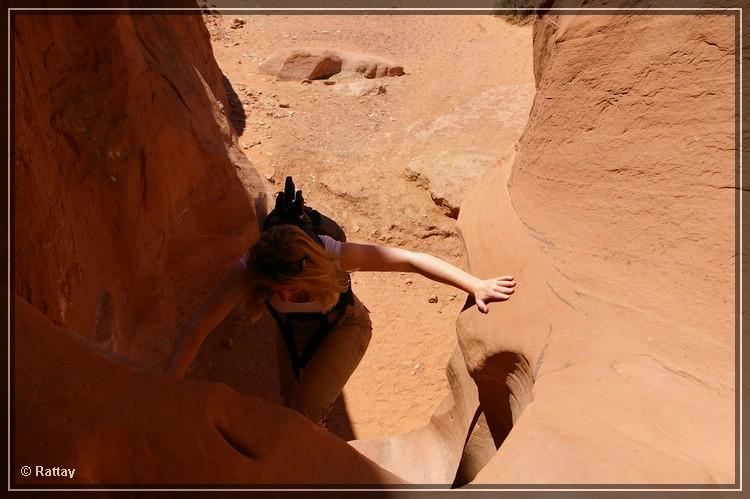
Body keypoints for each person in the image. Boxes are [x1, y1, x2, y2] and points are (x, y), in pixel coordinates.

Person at [164, 223, 516, 425]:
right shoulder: (250, 271)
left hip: (345, 326)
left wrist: (474, 284)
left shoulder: (333, 254)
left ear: (308, 270)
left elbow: (410, 260)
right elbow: (200, 324)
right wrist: (167, 384)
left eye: (287, 285)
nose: (281, 295)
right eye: (272, 289)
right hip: (294, 334)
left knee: (305, 409)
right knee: (293, 405)